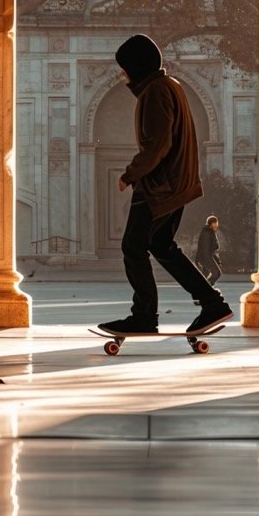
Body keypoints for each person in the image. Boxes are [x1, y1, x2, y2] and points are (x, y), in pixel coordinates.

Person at [99, 34, 233, 336]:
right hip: (175, 183)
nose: (123, 75)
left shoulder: (155, 91)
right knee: (161, 245)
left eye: (125, 68)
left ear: (136, 66)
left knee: (133, 246)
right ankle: (212, 303)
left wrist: (130, 174)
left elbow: (158, 144)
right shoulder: (169, 85)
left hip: (160, 186)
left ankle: (144, 316)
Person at [196, 215, 222, 286]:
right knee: (216, 273)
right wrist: (207, 260)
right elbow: (204, 249)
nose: (217, 225)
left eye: (217, 223)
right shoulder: (207, 233)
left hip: (207, 257)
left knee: (208, 275)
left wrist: (216, 259)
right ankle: (206, 288)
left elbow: (212, 247)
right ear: (211, 224)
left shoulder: (210, 232)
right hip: (205, 258)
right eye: (215, 223)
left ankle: (205, 288)